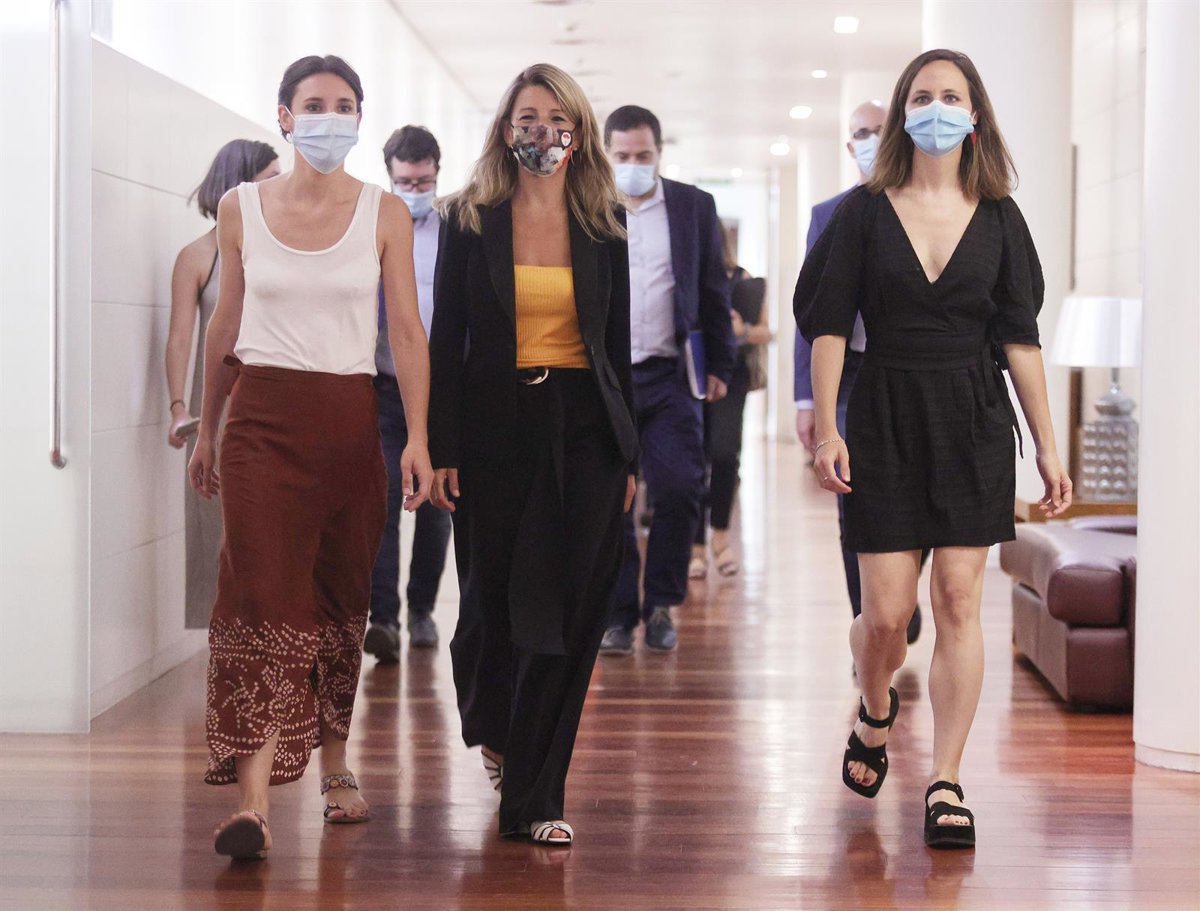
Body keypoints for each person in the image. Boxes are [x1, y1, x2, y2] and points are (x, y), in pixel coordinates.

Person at [794, 49, 1071, 849]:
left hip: (973, 416)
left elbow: (1020, 340)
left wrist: (1048, 447)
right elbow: (828, 324)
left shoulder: (1001, 216)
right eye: (922, 96)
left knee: (957, 598)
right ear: (902, 111)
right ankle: (875, 706)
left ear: (974, 115)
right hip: (884, 412)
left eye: (952, 96)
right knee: (885, 615)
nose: (937, 108)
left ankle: (946, 778)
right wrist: (829, 427)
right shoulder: (861, 212)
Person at [189, 54, 432, 861]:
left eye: (346, 104)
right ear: (285, 118)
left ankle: (335, 764)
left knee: (336, 599)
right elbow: (225, 326)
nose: (332, 117)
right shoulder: (241, 207)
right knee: (261, 596)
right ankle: (254, 804)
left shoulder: (384, 213)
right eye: (316, 104)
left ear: (360, 117)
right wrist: (208, 426)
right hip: (260, 424)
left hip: (348, 424)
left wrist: (419, 437)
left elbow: (406, 332)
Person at [428, 63, 637, 846]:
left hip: (586, 430)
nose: (541, 131)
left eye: (556, 119)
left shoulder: (604, 221)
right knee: (489, 607)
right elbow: (448, 340)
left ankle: (536, 793)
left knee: (571, 610)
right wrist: (441, 446)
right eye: (527, 117)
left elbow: (616, 345)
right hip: (495, 427)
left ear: (578, 134)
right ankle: (495, 729)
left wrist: (629, 457)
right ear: (505, 128)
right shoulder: (468, 218)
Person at [599, 105, 736, 655]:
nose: (633, 165)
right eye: (623, 156)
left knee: (680, 488)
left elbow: (713, 288)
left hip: (671, 376)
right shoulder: (587, 205)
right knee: (611, 498)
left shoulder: (691, 206)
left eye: (644, 155)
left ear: (660, 152)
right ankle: (618, 613)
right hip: (606, 381)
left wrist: (721, 366)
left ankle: (660, 603)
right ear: (606, 154)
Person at [794, 101, 924, 646]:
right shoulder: (830, 214)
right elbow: (812, 314)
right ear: (850, 147)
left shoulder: (925, 206)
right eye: (861, 133)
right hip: (850, 376)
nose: (872, 140)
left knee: (918, 494)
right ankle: (870, 625)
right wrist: (807, 399)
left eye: (879, 129)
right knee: (858, 499)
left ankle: (901, 594)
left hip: (914, 371)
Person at [165, 139, 279, 629]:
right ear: (241, 186)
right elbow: (179, 338)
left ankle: (269, 637)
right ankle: (225, 641)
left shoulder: (280, 252)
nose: (281, 187)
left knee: (272, 529)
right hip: (217, 406)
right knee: (216, 529)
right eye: (271, 179)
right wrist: (178, 408)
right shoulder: (196, 256)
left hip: (273, 402)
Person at [364, 125, 453, 661]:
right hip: (382, 386)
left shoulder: (455, 229)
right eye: (405, 182)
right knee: (381, 506)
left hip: (440, 389)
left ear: (437, 174)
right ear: (390, 178)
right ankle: (384, 620)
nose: (415, 191)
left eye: (423, 182)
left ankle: (421, 610)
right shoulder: (372, 224)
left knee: (437, 504)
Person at [689, 226, 770, 579]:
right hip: (691, 374)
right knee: (694, 459)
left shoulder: (744, 281)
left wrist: (742, 330)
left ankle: (720, 537)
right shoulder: (688, 276)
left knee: (724, 455)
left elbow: (765, 332)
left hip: (731, 376)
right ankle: (695, 547)